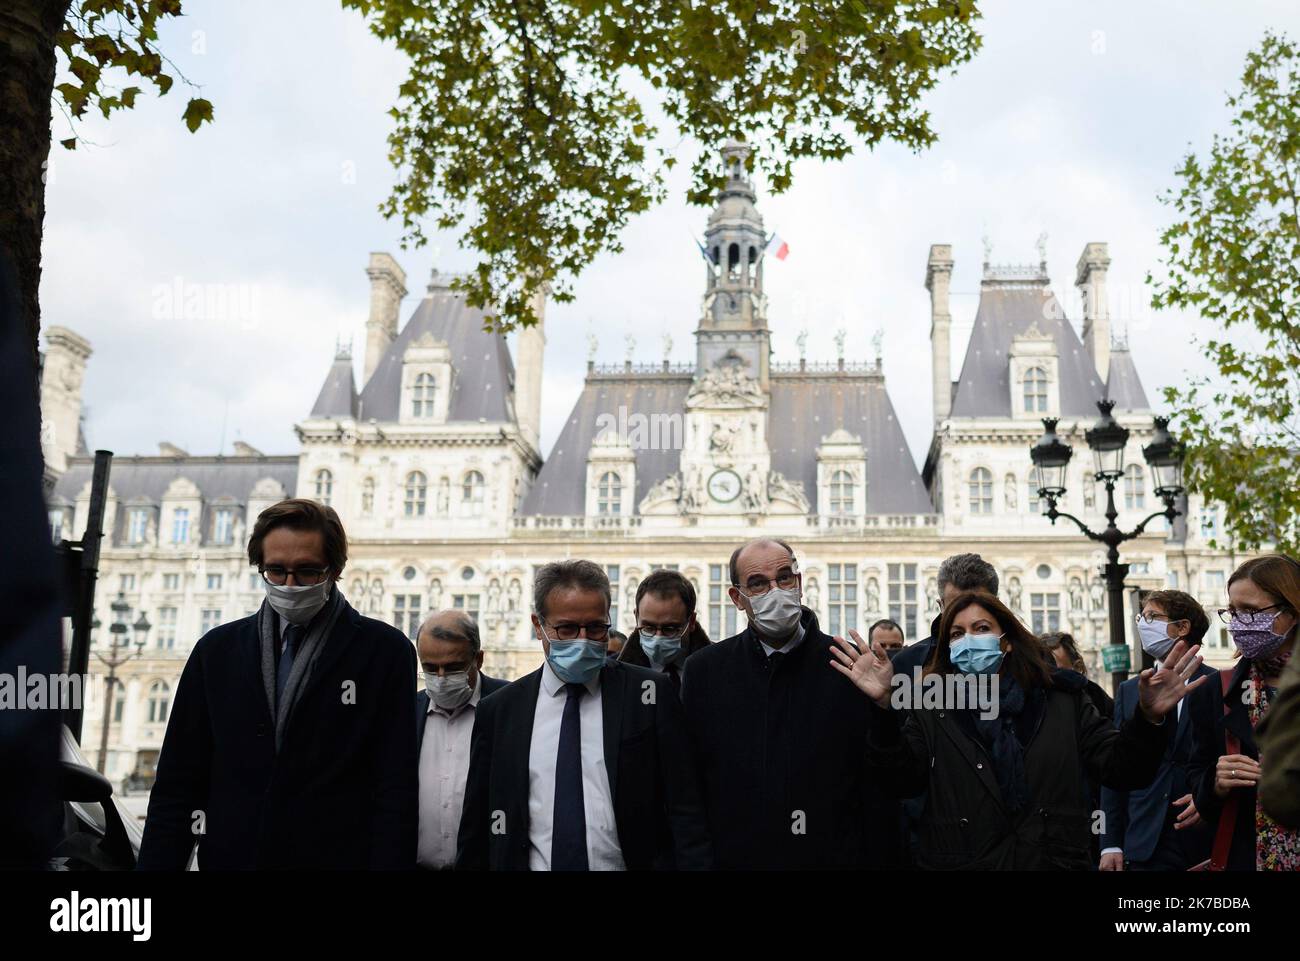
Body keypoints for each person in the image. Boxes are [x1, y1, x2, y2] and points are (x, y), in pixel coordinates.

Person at [832, 589, 1206, 870]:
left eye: (981, 628)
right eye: (957, 634)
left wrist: (1148, 718)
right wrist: (882, 709)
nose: (969, 640)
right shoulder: (932, 706)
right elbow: (901, 781)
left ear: (1006, 641)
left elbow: (1122, 769)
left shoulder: (1063, 700)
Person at [137, 498, 418, 869]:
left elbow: (394, 787)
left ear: (334, 569)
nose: (289, 584)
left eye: (306, 572)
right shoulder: (217, 651)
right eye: (275, 571)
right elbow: (179, 781)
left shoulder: (384, 652)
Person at [455, 559, 711, 870]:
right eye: (567, 629)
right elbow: (478, 827)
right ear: (539, 626)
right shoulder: (500, 710)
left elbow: (686, 809)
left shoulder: (649, 694)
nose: (583, 640)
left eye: (595, 628)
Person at [680, 538, 901, 869]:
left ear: (799, 583)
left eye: (784, 577)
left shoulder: (848, 667)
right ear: (737, 598)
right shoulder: (705, 671)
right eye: (757, 583)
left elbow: (890, 785)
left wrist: (885, 707)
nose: (775, 590)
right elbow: (690, 789)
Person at [1188, 554, 1300, 870]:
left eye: (1250, 611)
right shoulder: (1215, 690)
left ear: (1290, 613)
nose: (1238, 623)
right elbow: (1196, 776)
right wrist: (1216, 782)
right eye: (1233, 611)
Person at [1099, 590, 1218, 871]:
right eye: (1142, 617)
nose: (1142, 624)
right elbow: (1115, 769)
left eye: (1153, 616)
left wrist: (1210, 798)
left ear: (1182, 627)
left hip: (1201, 838)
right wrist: (1110, 843)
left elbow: (1227, 758)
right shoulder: (1130, 690)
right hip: (1143, 840)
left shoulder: (1217, 684)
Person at [415, 610, 508, 870]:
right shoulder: (405, 712)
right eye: (430, 669)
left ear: (478, 659)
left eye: (454, 668)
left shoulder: (510, 706)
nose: (441, 679)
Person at [891, 553, 999, 677]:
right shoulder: (908, 663)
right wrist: (884, 696)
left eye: (979, 605)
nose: (968, 615)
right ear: (941, 606)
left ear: (996, 604)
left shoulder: (1022, 662)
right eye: (956, 607)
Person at [617, 568, 712, 691]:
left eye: (670, 629)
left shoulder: (720, 668)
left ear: (692, 622)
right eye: (649, 628)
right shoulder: (614, 675)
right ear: (636, 617)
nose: (657, 638)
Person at [1041, 632, 1114, 721]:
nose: (1055, 676)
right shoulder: (1032, 701)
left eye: (1061, 671)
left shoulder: (1096, 696)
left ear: (1077, 666)